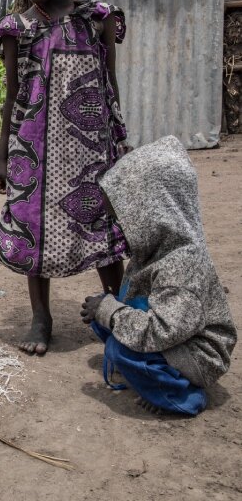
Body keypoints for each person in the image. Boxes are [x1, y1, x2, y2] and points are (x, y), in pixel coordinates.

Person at [0, 0, 130, 356]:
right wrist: (4, 157)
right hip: (35, 150)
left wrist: (121, 142)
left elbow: (110, 82)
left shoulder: (99, 18)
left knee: (104, 231)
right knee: (34, 231)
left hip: (94, 150)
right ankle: (41, 318)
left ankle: (120, 310)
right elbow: (11, 97)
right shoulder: (18, 30)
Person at [81, 136, 236, 415]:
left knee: (121, 349)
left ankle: (182, 394)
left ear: (152, 213)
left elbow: (162, 330)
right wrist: (106, 310)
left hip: (199, 355)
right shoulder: (157, 249)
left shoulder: (183, 264)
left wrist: (111, 311)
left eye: (123, 218)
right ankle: (158, 375)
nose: (118, 226)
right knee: (104, 318)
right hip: (177, 333)